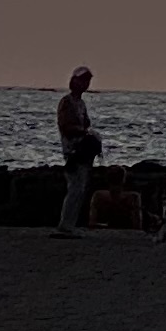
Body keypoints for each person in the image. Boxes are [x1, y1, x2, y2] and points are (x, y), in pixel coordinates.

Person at [54, 66, 101, 235]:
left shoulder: (80, 103)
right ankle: (65, 225)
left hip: (82, 151)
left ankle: (69, 224)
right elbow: (66, 126)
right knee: (75, 188)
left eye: (87, 80)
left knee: (79, 188)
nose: (85, 83)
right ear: (73, 81)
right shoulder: (67, 102)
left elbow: (85, 123)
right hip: (73, 151)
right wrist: (84, 133)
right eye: (82, 79)